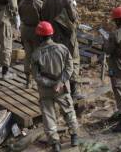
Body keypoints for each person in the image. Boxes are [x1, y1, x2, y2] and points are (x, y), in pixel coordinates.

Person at [31, 21, 78, 151]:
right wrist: (60, 82)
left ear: (39, 36)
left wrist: (50, 84)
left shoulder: (36, 54)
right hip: (62, 87)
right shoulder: (62, 49)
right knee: (68, 111)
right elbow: (70, 68)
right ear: (51, 34)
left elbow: (36, 76)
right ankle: (74, 136)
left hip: (46, 90)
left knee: (48, 116)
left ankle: (55, 144)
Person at [40, 0, 81, 99]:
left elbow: (43, 17)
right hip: (68, 38)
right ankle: (75, 90)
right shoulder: (67, 0)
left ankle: (56, 89)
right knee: (73, 61)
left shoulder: (46, 0)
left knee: (56, 62)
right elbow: (74, 18)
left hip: (52, 37)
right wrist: (73, 6)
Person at [18, 0, 43, 88]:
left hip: (25, 31)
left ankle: (28, 81)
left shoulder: (21, 4)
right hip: (36, 31)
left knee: (28, 55)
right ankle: (38, 80)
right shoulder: (39, 4)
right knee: (37, 55)